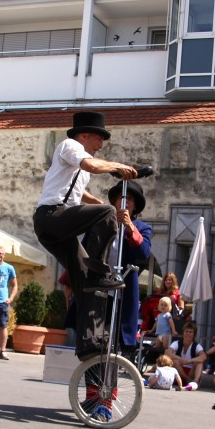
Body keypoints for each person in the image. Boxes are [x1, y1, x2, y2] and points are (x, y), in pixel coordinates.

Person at [32, 110, 137, 361]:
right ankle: (99, 269)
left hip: (57, 227)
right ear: (85, 135)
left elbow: (78, 194)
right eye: (99, 139)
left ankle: (89, 344)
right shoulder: (69, 146)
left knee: (85, 282)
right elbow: (90, 164)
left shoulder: (81, 166)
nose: (101, 145)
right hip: (51, 217)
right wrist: (117, 167)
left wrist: (98, 202)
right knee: (108, 214)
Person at [106, 179, 152, 360]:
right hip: (101, 289)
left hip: (124, 290)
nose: (124, 202)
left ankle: (112, 386)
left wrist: (129, 227)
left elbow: (144, 253)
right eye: (120, 197)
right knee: (96, 340)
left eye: (129, 199)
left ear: (135, 206)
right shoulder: (103, 222)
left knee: (120, 344)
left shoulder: (142, 228)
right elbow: (87, 251)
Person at [168, 321, 206, 387]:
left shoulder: (196, 345)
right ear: (183, 333)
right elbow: (168, 353)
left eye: (190, 332)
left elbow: (203, 357)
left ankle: (195, 381)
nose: (188, 334)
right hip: (179, 372)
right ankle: (188, 379)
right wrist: (180, 359)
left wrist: (188, 361)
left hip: (190, 371)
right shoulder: (177, 343)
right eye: (186, 331)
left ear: (194, 335)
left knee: (199, 362)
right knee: (174, 361)